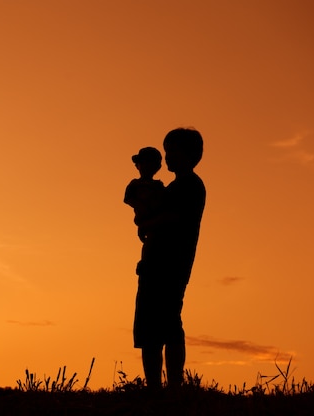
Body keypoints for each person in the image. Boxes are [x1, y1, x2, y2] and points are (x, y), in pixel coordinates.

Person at [132, 128, 206, 390]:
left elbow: (172, 218)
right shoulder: (172, 187)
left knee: (168, 324)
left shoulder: (190, 186)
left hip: (171, 264)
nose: (168, 156)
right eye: (166, 150)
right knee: (149, 327)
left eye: (172, 150)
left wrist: (147, 222)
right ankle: (154, 387)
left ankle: (174, 386)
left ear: (189, 154)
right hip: (154, 262)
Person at [124, 147, 165, 243]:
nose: (142, 166)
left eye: (148, 163)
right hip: (144, 219)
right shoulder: (135, 183)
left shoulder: (158, 185)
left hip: (156, 220)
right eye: (140, 163)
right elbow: (128, 198)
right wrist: (139, 205)